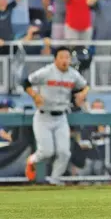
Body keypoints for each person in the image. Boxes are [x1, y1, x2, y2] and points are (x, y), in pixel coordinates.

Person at [23, 46, 89, 186]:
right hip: (43, 116)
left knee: (64, 152)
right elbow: (26, 82)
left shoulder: (73, 74)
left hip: (61, 117)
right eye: (62, 57)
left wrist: (83, 94)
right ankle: (31, 160)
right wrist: (35, 95)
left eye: (67, 57)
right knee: (46, 151)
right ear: (55, 59)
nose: (65, 60)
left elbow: (85, 86)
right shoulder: (47, 72)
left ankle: (54, 180)